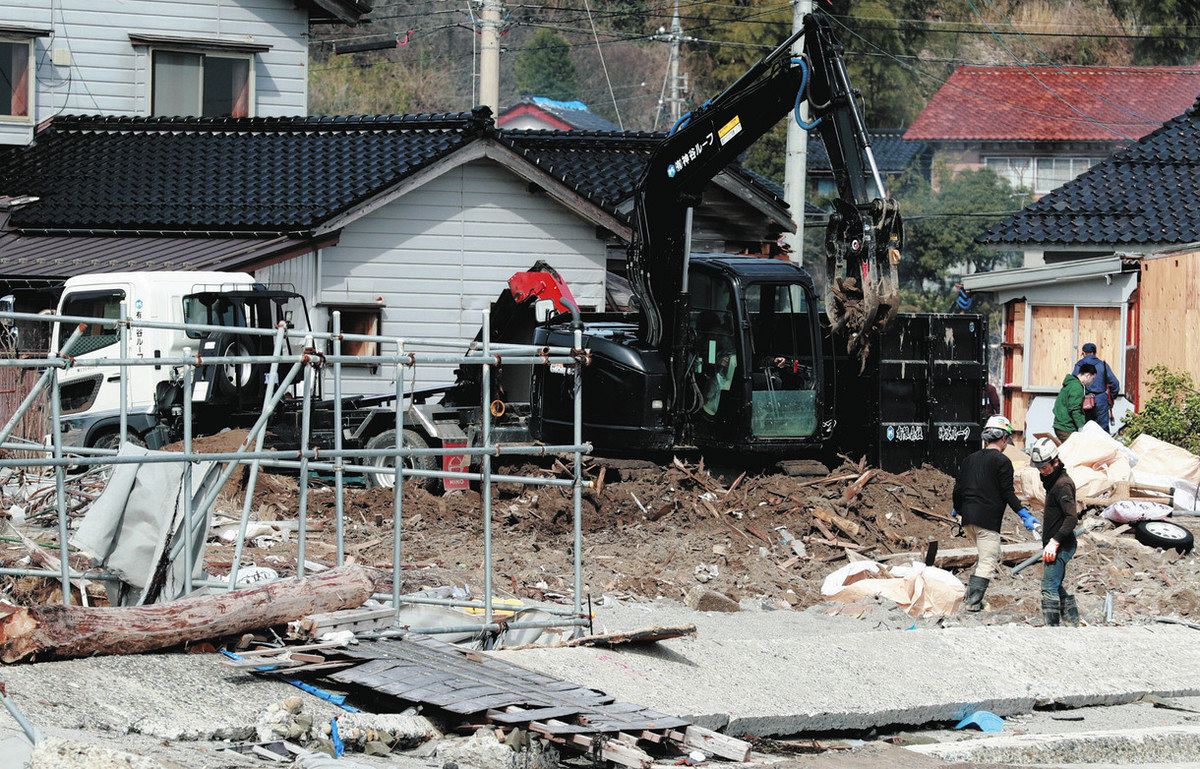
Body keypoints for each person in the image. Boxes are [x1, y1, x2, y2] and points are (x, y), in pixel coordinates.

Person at [951, 415, 1040, 612]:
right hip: (987, 521)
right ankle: (972, 604)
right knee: (988, 562)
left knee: (985, 556)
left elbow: (958, 490)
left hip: (968, 521)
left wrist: (957, 509)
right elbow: (1008, 493)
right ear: (1002, 439)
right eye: (1007, 438)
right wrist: (1024, 514)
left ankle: (972, 598)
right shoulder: (1002, 461)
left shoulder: (969, 460)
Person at [1026, 438, 1079, 627]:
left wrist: (1054, 542)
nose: (1042, 471)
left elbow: (1072, 518)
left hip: (1061, 545)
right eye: (1039, 468)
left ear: (1055, 462)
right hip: (1055, 543)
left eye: (1044, 467)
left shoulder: (1062, 485)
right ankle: (1073, 621)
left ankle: (1052, 631)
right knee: (1055, 584)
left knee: (1048, 586)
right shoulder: (1053, 481)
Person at [1073, 343, 1121, 432]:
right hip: (1101, 400)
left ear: (1084, 353)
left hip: (1084, 400)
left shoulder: (1078, 366)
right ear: (1094, 352)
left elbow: (1074, 384)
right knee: (1103, 431)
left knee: (1085, 429)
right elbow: (1115, 384)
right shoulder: (1102, 365)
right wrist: (1111, 398)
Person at [1051, 363, 1096, 442]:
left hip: (1059, 425)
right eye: (1092, 379)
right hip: (1066, 428)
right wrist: (1081, 427)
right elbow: (1075, 409)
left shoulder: (1070, 383)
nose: (1092, 382)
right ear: (1088, 375)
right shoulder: (1077, 387)